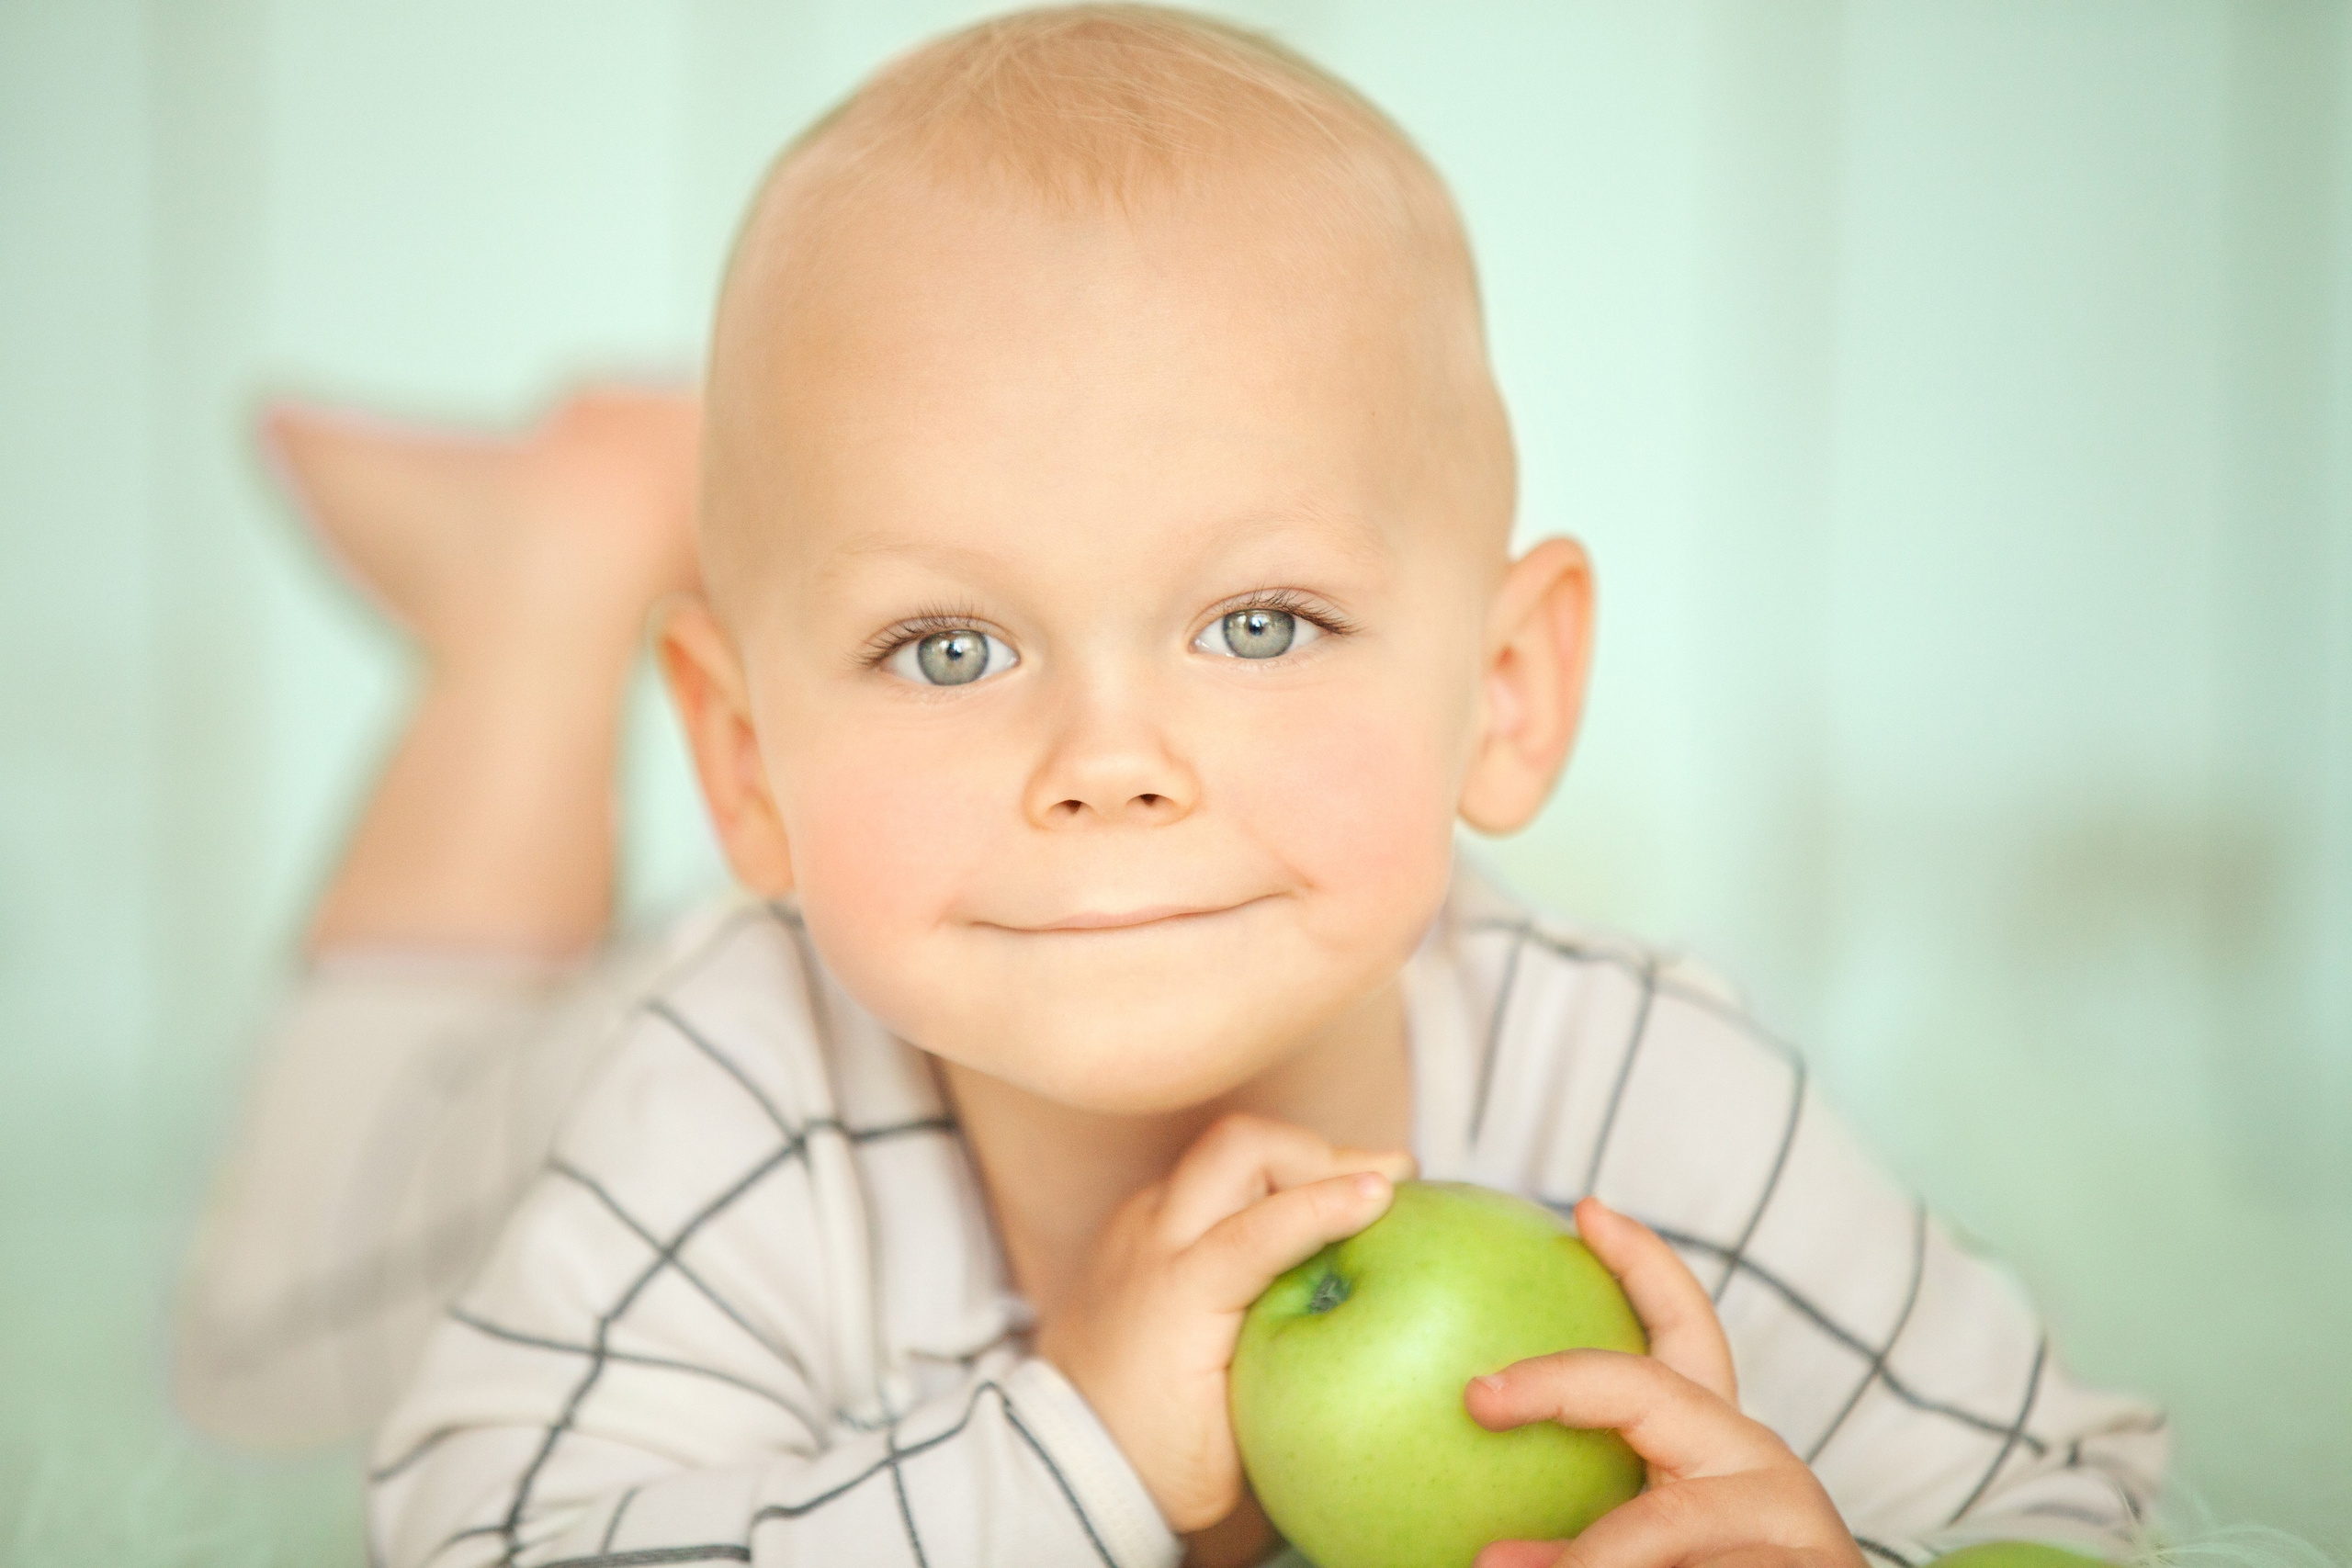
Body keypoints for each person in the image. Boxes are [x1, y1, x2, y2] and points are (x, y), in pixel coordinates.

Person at [179, 9, 2167, 1568]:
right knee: (261, 1349)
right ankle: (547, 585)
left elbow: (2066, 1493)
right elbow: (492, 1536)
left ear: (1502, 690)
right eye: (947, 647)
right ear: (745, 761)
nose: (1110, 763)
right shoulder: (728, 1099)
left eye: (1261, 621)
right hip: (490, 1134)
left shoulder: (1644, 1096)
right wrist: (1068, 1456)